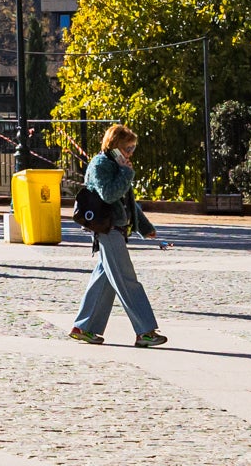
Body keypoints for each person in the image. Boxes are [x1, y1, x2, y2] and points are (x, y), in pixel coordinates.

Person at [66, 122, 167, 347]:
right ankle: (145, 331)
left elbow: (128, 203)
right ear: (114, 145)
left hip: (116, 229)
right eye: (127, 148)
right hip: (107, 230)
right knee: (126, 279)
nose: (131, 153)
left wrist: (145, 227)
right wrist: (126, 173)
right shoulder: (101, 164)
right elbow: (110, 195)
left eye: (133, 148)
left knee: (105, 280)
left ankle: (84, 327)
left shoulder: (118, 165)